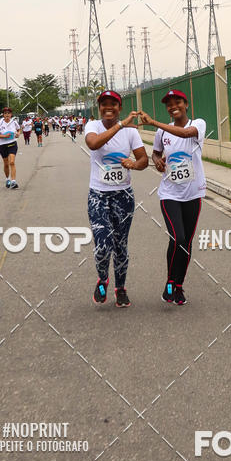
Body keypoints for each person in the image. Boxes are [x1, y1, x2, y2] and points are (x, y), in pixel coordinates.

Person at [139, 89, 206, 306]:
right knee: (178, 238)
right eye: (169, 104)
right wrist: (157, 160)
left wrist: (154, 123)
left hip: (193, 193)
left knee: (186, 243)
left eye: (177, 102)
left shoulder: (198, 124)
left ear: (186, 104)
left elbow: (186, 135)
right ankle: (170, 281)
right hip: (169, 193)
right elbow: (156, 153)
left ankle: (178, 286)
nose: (173, 106)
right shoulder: (162, 134)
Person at [85, 91, 148, 308]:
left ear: (119, 107)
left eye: (113, 104)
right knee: (103, 244)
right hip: (98, 196)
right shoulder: (92, 127)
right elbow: (93, 144)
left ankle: (121, 288)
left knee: (121, 245)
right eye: (104, 104)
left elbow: (143, 160)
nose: (108, 107)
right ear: (99, 108)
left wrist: (134, 164)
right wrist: (121, 125)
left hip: (123, 196)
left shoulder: (131, 133)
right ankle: (102, 279)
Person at [0, 107, 21, 189]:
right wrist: (4, 136)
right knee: (6, 164)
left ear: (11, 114)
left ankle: (13, 181)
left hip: (12, 144)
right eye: (5, 113)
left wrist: (18, 134)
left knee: (12, 162)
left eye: (8, 113)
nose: (7, 115)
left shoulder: (14, 122)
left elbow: (18, 130)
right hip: (3, 145)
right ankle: (8, 179)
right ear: (3, 114)